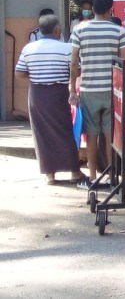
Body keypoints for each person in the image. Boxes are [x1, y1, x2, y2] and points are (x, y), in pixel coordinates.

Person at [69, 0, 125, 190]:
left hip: (88, 89)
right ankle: (112, 176)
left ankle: (93, 177)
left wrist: (72, 89)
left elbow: (73, 63)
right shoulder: (119, 31)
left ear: (92, 9)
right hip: (112, 92)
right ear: (110, 9)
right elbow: (123, 64)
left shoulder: (79, 30)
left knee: (91, 136)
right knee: (111, 136)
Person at [16, 14, 85, 185]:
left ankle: (50, 175)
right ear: (57, 30)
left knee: (41, 133)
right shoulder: (67, 48)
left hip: (37, 95)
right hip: (60, 93)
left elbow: (19, 73)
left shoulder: (28, 48)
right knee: (65, 130)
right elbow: (77, 71)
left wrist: (36, 74)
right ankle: (75, 172)